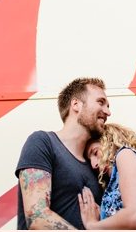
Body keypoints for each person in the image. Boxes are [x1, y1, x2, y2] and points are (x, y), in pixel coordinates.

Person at [15, 77, 111, 229]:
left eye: (107, 106)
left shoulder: (97, 165)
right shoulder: (43, 142)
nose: (108, 112)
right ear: (76, 104)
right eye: (101, 102)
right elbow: (37, 217)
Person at [78, 123, 136, 230]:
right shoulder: (130, 168)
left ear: (109, 142)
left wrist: (93, 226)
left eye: (95, 153)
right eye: (90, 159)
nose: (93, 164)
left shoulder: (125, 155)